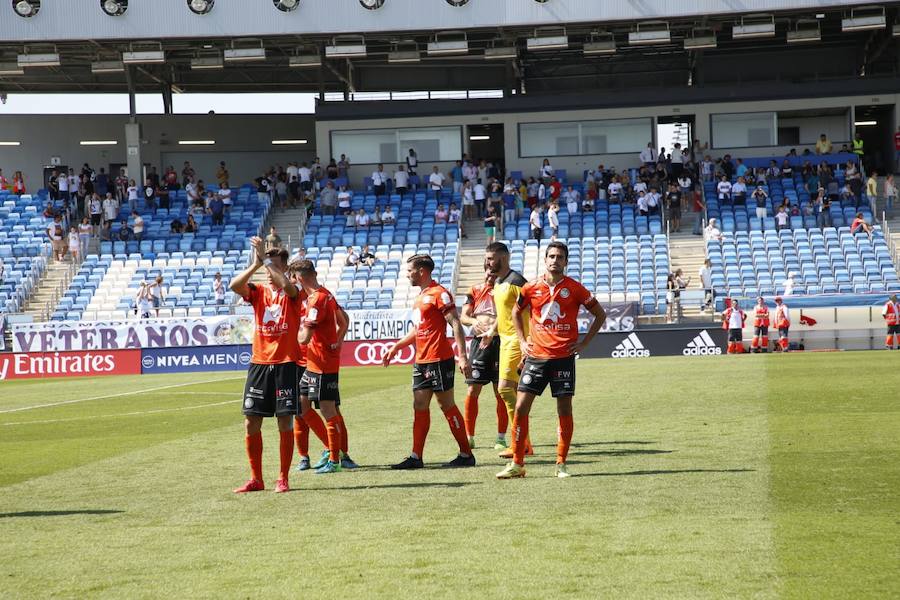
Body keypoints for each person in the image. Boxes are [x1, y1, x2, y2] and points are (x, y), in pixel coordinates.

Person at [496, 241, 606, 479]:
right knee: (521, 409)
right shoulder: (531, 287)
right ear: (545, 260)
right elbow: (516, 312)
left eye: (560, 257)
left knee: (564, 409)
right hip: (535, 358)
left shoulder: (575, 289)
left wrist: (585, 343)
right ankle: (517, 463)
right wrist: (523, 341)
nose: (555, 260)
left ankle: (561, 463)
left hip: (564, 359)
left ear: (565, 262)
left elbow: (600, 314)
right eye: (551, 256)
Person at [382, 254, 475, 470]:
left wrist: (462, 356)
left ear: (421, 271)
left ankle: (466, 454)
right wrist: (397, 346)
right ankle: (416, 456)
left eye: (410, 271)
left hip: (439, 359)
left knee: (446, 405)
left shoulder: (439, 293)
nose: (407, 275)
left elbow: (456, 324)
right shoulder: (420, 296)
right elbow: (419, 329)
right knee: (419, 405)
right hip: (421, 360)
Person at [230, 240, 302, 493]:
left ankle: (283, 477)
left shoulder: (294, 290)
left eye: (275, 266)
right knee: (251, 422)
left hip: (285, 363)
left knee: (284, 421)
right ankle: (256, 478)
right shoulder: (259, 291)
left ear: (285, 269)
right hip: (259, 363)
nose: (269, 273)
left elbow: (287, 287)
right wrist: (255, 264)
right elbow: (234, 285)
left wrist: (269, 263)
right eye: (268, 267)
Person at [293, 259, 356, 474]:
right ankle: (333, 451)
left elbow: (304, 338)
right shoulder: (326, 294)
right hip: (314, 363)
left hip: (321, 363)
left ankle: (335, 459)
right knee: (302, 405)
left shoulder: (317, 300)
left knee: (329, 410)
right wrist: (337, 341)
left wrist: (291, 332)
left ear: (299, 278)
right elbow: (344, 320)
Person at [459, 269, 508, 450]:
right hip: (479, 344)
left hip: (500, 342)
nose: (490, 277)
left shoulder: (505, 290)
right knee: (472, 390)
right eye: (488, 273)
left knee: (500, 391)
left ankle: (501, 438)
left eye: (494, 274)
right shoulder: (474, 290)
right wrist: (473, 322)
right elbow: (463, 316)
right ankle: (469, 436)